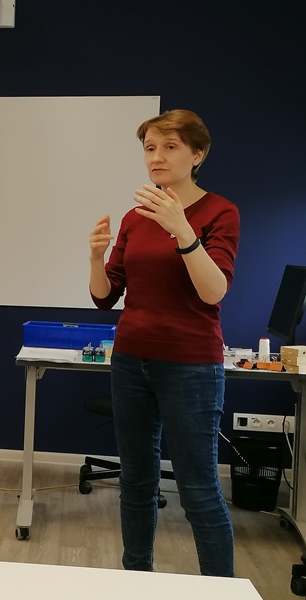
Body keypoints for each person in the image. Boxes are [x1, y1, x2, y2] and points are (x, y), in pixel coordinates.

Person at [87, 109, 240, 577]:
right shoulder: (135, 218)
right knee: (136, 482)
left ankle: (220, 588)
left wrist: (183, 230)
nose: (156, 157)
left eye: (170, 147)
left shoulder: (220, 212)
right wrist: (95, 257)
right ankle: (137, 579)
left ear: (198, 154)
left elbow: (213, 291)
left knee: (198, 490)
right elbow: (104, 297)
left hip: (191, 367)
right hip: (131, 360)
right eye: (150, 148)